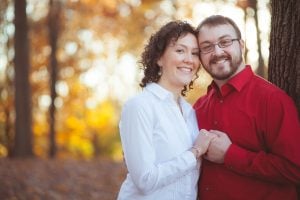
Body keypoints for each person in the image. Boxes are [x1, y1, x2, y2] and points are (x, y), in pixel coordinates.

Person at [194, 15, 300, 200]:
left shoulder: (272, 99)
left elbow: (294, 169)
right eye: (207, 47)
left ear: (241, 45)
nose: (217, 52)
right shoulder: (198, 108)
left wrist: (230, 154)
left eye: (225, 42)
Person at [117, 20, 215, 200]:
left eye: (194, 53)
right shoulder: (140, 106)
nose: (189, 59)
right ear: (159, 58)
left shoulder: (190, 112)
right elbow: (145, 180)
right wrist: (195, 152)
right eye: (180, 50)